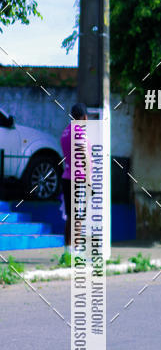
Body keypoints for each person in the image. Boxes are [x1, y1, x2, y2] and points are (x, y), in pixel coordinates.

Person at [60, 102, 87, 263]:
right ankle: (77, 251)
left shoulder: (66, 132)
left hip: (66, 176)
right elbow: (84, 156)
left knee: (71, 215)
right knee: (77, 216)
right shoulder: (79, 132)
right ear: (84, 117)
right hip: (78, 178)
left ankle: (67, 250)